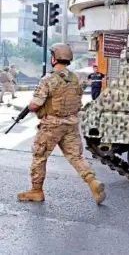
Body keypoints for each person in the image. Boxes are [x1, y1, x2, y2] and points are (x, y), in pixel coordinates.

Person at [17, 43, 106, 205]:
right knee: (76, 157)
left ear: (54, 57)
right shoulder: (75, 79)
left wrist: (30, 108)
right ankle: (93, 182)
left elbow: (35, 104)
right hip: (71, 123)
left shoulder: (49, 79)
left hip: (52, 124)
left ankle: (36, 190)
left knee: (39, 156)